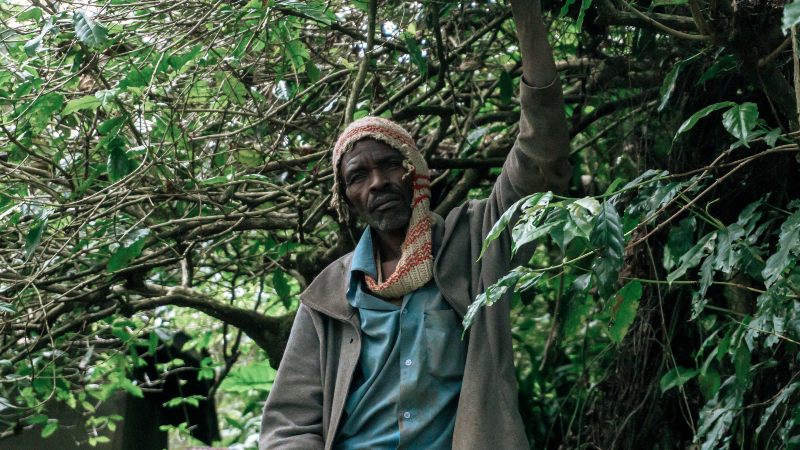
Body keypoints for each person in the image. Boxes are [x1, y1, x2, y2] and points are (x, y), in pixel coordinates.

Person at [259, 0, 571, 448]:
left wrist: (526, 14)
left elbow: (542, 156)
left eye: (390, 164)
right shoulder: (329, 295)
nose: (379, 182)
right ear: (347, 199)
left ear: (417, 170)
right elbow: (289, 424)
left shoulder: (479, 241)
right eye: (358, 177)